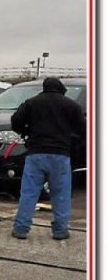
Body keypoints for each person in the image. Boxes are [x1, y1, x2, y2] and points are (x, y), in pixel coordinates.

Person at [10, 77, 86, 241]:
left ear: (44, 88)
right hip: (60, 155)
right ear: (60, 88)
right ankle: (60, 231)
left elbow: (15, 121)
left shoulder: (31, 103)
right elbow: (82, 130)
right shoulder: (72, 105)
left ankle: (21, 229)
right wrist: (70, 141)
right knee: (61, 195)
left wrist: (25, 132)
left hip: (35, 154)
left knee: (29, 194)